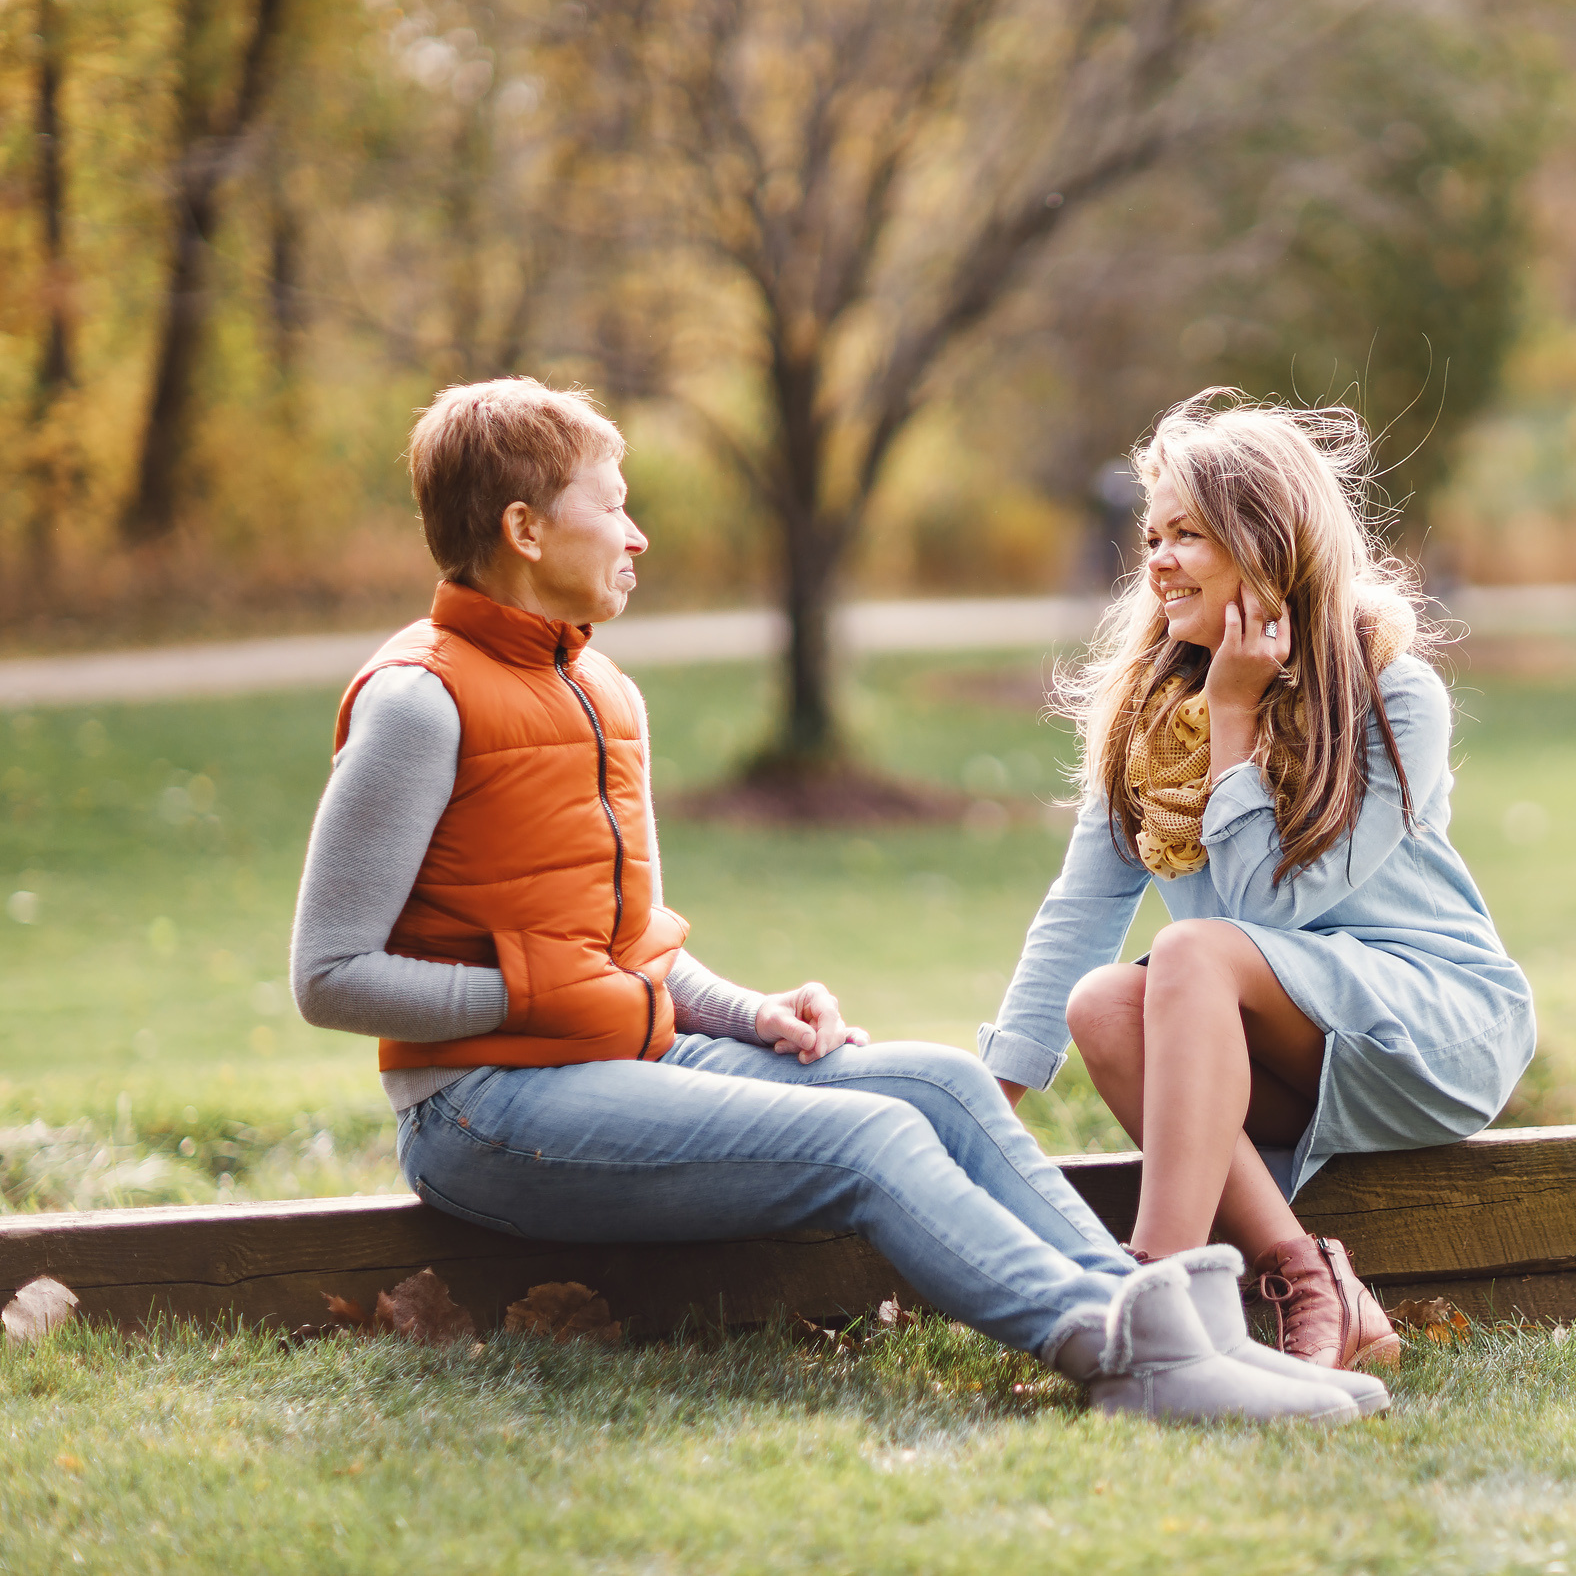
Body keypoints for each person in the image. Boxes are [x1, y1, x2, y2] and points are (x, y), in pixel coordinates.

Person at [290, 377, 1384, 1423]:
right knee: (868, 1141)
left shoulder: (601, 690)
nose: (638, 537)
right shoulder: (418, 701)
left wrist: (743, 1012)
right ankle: (1116, 1352)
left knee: (945, 1086)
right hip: (483, 1112)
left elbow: (630, 953)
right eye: (615, 510)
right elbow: (332, 979)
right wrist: (548, 998)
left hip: (628, 1056)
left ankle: (1180, 1335)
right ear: (526, 531)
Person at [982, 390, 1537, 1372]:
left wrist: (1236, 719)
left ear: (1267, 542)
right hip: (1283, 1051)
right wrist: (991, 1102)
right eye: (1151, 535)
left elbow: (1264, 910)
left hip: (1435, 1025)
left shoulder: (1390, 693)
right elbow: (1081, 910)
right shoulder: (1153, 717)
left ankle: (1147, 1287)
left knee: (1192, 949)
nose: (1155, 560)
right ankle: (1309, 1278)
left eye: (1187, 535)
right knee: (1105, 1002)